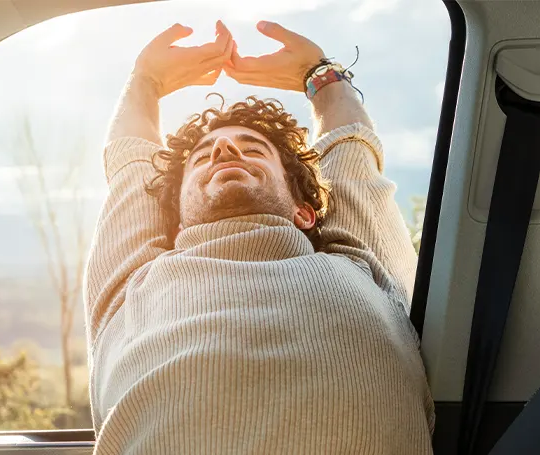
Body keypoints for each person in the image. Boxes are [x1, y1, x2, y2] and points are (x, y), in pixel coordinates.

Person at [84, 19, 434, 454]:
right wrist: (146, 81)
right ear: (174, 228)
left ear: (304, 212)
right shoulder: (129, 291)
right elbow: (130, 168)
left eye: (252, 150)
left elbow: (351, 159)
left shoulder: (360, 266)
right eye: (202, 158)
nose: (225, 150)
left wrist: (320, 77)